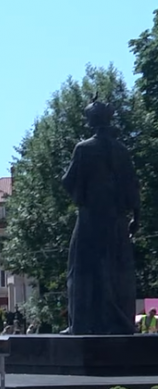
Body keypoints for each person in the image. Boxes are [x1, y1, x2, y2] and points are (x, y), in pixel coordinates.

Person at [60, 97, 140, 335]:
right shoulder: (121, 149)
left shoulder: (84, 148)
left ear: (91, 121)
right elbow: (132, 185)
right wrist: (137, 216)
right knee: (116, 268)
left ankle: (82, 323)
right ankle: (118, 320)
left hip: (90, 219)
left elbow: (68, 181)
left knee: (81, 268)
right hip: (116, 219)